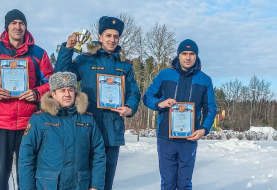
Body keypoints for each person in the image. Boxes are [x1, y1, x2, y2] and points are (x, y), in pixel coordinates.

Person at [55, 16, 140, 190]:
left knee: (106, 180)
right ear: (100, 37)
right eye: (108, 35)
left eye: (116, 36)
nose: (112, 40)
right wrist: (67, 49)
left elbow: (133, 91)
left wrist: (130, 107)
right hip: (86, 126)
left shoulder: (125, 66)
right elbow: (62, 76)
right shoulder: (86, 59)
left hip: (112, 129)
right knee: (82, 177)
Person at [0, 9, 54, 190]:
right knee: (0, 175)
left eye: (21, 23)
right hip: (0, 123)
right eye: (14, 23)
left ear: (26, 27)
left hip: (29, 124)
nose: (18, 27)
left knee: (27, 172)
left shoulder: (38, 53)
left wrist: (37, 93)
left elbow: (51, 82)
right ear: (7, 27)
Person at [143, 39, 217, 190]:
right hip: (166, 138)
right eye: (184, 53)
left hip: (189, 139)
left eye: (191, 54)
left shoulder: (205, 80)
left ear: (196, 56)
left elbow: (210, 108)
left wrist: (203, 129)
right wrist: (159, 104)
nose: (188, 57)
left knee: (184, 184)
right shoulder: (164, 75)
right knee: (168, 183)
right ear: (178, 55)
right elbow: (147, 97)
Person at [19, 71, 106, 190]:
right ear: (53, 94)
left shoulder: (87, 119)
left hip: (80, 185)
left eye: (70, 89)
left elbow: (98, 153)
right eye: (62, 90)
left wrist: (96, 185)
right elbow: (26, 157)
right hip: (48, 186)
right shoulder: (39, 120)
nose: (67, 94)